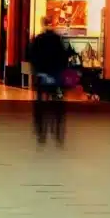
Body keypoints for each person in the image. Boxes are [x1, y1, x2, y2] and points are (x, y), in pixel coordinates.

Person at [27, 16, 74, 145]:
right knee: (58, 99)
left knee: (40, 101)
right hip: (56, 75)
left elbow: (31, 56)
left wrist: (37, 71)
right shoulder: (58, 39)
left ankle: (40, 129)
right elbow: (64, 56)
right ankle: (58, 126)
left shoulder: (38, 40)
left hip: (42, 75)